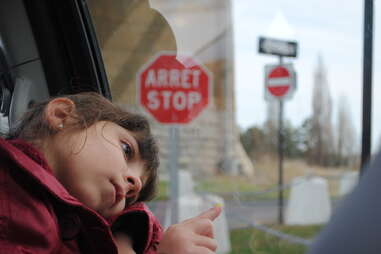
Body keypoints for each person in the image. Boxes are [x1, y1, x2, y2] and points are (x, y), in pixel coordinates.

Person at [0, 92, 221, 254]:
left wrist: (123, 235)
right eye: (127, 150)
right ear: (61, 115)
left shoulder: (69, 222)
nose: (133, 182)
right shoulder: (12, 195)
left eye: (133, 195)